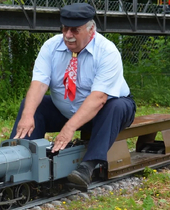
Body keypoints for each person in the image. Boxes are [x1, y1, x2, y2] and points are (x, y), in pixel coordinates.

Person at [10, 3, 136, 189]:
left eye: (75, 30)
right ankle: (17, 160)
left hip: (102, 112)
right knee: (32, 106)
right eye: (65, 28)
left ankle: (88, 166)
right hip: (65, 109)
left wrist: (69, 128)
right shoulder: (51, 47)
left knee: (115, 106)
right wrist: (28, 115)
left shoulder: (107, 52)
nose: (68, 35)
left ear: (91, 29)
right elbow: (39, 84)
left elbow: (99, 98)